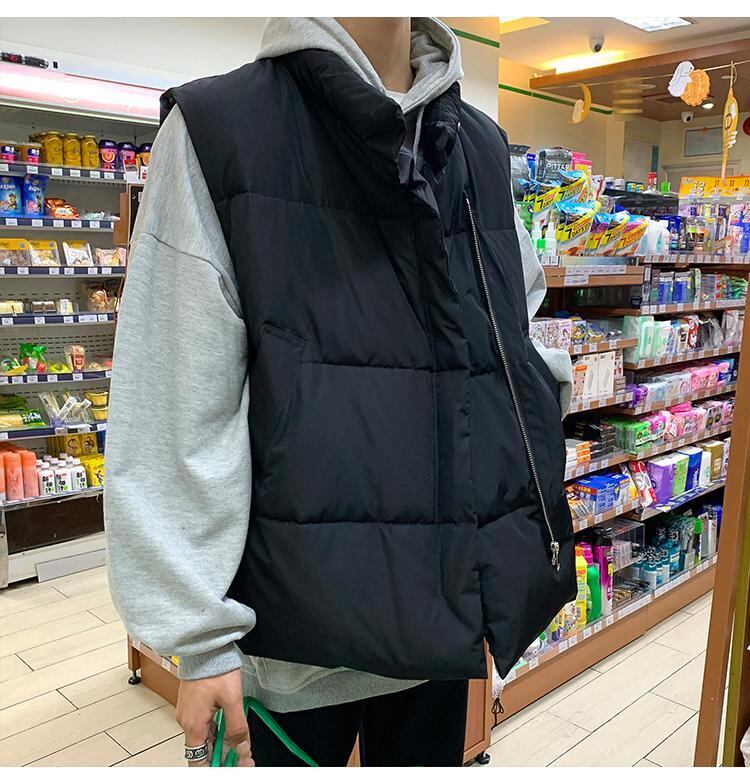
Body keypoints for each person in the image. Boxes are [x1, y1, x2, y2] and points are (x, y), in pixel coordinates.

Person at [105, 17, 575, 767]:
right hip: (290, 645)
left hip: (444, 620)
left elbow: (509, 339)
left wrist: (509, 545)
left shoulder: (479, 147)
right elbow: (176, 397)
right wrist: (199, 636)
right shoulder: (220, 129)